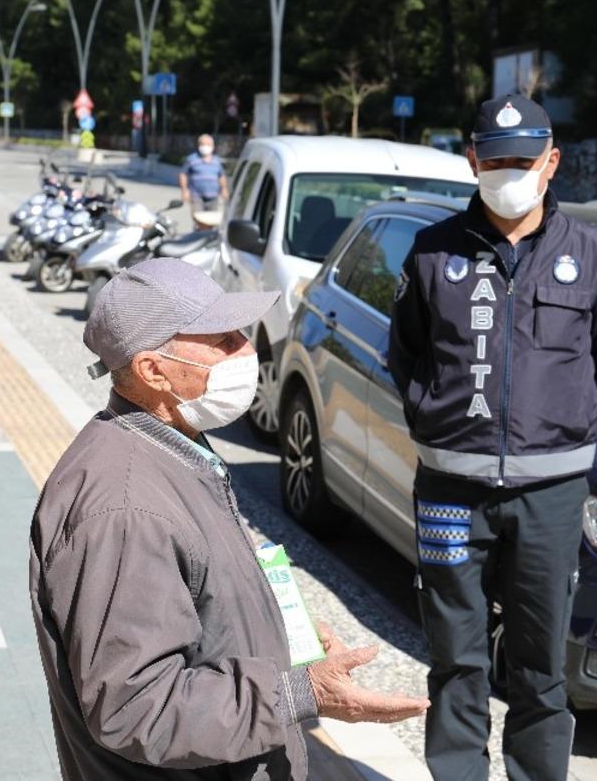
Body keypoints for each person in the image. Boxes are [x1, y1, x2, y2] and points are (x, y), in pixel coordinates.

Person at [29, 258, 429, 781]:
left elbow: (196, 603)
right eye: (221, 341)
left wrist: (284, 633)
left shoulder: (173, 447)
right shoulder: (125, 511)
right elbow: (136, 707)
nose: (246, 348)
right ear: (153, 370)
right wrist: (300, 693)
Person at [388, 95, 597, 781]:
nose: (507, 173)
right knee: (456, 660)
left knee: (540, 668)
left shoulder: (591, 253)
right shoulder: (433, 253)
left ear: (550, 162)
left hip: (551, 498)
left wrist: (566, 429)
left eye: (521, 161)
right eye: (494, 160)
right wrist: (435, 424)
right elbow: (404, 355)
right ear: (473, 160)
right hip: (447, 493)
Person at [179, 134, 228, 218]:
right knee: (199, 219)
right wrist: (184, 190)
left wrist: (224, 188)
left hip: (213, 196)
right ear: (198, 145)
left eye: (208, 144)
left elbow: (221, 176)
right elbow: (183, 174)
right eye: (203, 144)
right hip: (196, 196)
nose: (205, 147)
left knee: (212, 219)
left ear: (213, 146)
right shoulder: (191, 159)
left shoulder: (216, 161)